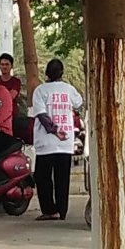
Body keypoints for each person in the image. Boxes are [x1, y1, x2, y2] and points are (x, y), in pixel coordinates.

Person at [30, 58, 83, 220]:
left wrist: (54, 130)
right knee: (62, 178)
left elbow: (42, 115)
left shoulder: (40, 91)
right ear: (62, 73)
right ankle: (62, 210)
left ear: (46, 73)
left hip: (46, 143)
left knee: (42, 177)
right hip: (65, 142)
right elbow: (78, 103)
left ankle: (49, 210)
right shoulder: (69, 89)